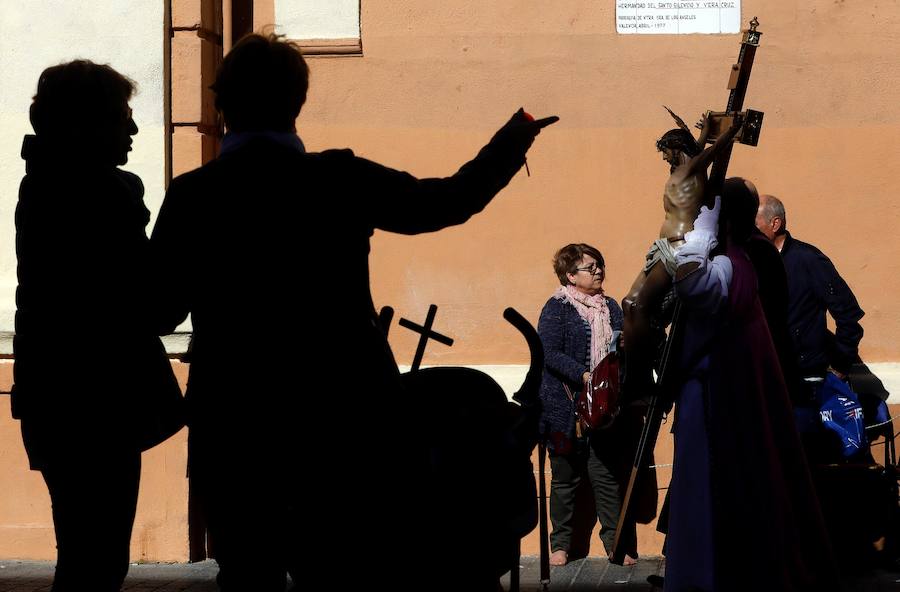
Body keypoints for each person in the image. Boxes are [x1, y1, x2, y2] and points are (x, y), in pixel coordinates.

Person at [150, 32, 557, 591]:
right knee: (341, 569)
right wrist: (513, 140)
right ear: (298, 102)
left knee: (247, 574)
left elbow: (160, 307)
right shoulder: (338, 177)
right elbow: (447, 202)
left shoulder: (194, 193)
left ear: (223, 104)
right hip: (343, 414)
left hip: (237, 420)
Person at [13, 61, 181, 592]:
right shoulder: (101, 197)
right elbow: (153, 306)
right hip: (100, 404)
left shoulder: (44, 186)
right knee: (98, 561)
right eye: (121, 118)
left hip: (56, 400)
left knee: (84, 553)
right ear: (84, 125)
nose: (132, 130)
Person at [663, 195, 837, 591]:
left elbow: (692, 282)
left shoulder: (737, 261)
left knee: (725, 495)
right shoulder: (747, 256)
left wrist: (699, 238)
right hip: (734, 387)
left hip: (722, 394)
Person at [621, 117, 741, 393]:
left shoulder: (691, 169)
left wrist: (731, 131)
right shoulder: (685, 168)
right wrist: (704, 133)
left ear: (676, 148)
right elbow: (698, 151)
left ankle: (643, 377)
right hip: (661, 247)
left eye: (666, 151)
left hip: (676, 248)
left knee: (639, 307)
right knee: (629, 304)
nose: (664, 158)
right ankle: (639, 371)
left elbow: (710, 153)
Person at [537, 243, 639, 567]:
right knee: (564, 477)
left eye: (599, 265)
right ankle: (560, 546)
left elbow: (622, 352)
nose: (598, 271)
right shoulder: (557, 307)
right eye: (590, 267)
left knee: (606, 475)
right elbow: (548, 353)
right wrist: (583, 374)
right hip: (564, 408)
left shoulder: (611, 307)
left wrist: (623, 347)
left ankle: (615, 543)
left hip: (604, 408)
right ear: (570, 275)